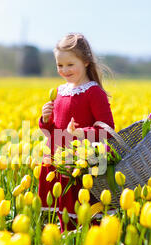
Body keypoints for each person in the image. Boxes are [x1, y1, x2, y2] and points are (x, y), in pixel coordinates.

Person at [37, 33, 116, 232]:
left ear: (86, 61)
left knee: (82, 220)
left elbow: (107, 129)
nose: (64, 70)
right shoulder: (59, 91)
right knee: (60, 219)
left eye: (70, 65)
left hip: (80, 168)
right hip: (57, 163)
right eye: (60, 65)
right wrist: (46, 121)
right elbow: (54, 133)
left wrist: (81, 133)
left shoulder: (94, 92)